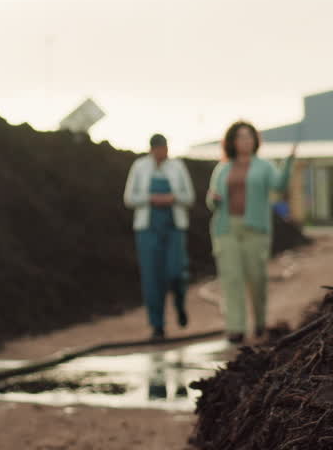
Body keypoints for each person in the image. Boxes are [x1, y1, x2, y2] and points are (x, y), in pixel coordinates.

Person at [205, 121, 294, 344]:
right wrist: (214, 199)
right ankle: (236, 328)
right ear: (232, 142)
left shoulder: (264, 167)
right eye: (240, 137)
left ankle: (260, 322)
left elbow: (279, 186)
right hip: (226, 229)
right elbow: (211, 199)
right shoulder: (222, 168)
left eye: (249, 136)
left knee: (257, 278)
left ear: (255, 141)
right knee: (231, 278)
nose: (245, 141)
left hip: (255, 230)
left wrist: (289, 163)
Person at [123, 133, 195, 341]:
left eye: (164, 148)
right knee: (152, 277)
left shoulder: (177, 167)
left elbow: (189, 197)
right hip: (148, 230)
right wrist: (150, 198)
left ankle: (180, 305)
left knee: (175, 272)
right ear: (151, 149)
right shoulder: (139, 167)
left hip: (173, 229)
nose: (162, 152)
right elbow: (129, 198)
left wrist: (173, 198)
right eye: (158, 149)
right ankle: (157, 326)